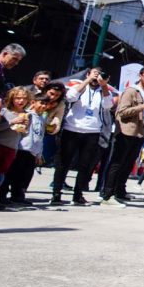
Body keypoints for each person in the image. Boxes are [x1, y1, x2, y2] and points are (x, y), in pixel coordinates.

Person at [52, 68, 108, 205]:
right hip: (72, 129)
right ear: (88, 74)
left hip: (92, 131)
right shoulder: (79, 86)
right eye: (94, 75)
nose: (96, 78)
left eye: (98, 75)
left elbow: (109, 105)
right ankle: (56, 193)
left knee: (85, 165)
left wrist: (104, 85)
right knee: (63, 163)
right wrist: (87, 80)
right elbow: (70, 97)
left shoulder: (103, 91)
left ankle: (78, 194)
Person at [102, 66, 144, 205]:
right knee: (117, 162)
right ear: (140, 76)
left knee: (128, 164)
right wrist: (143, 107)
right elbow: (122, 112)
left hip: (139, 133)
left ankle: (120, 190)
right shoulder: (131, 91)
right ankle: (107, 194)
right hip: (126, 131)